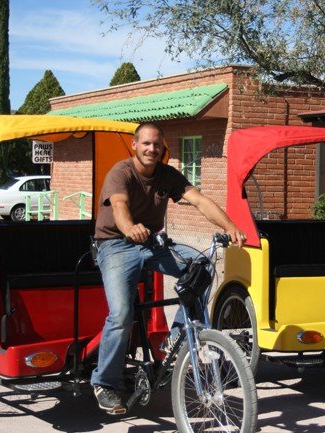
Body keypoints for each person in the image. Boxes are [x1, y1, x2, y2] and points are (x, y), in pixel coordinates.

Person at [91, 122, 247, 414]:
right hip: (115, 245)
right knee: (122, 314)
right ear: (135, 146)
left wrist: (231, 226)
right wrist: (129, 228)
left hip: (151, 244)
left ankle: (175, 336)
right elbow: (120, 207)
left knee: (202, 264)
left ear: (163, 149)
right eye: (146, 144)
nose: (152, 149)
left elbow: (198, 200)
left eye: (157, 145)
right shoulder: (120, 173)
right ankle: (105, 383)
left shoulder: (167, 175)